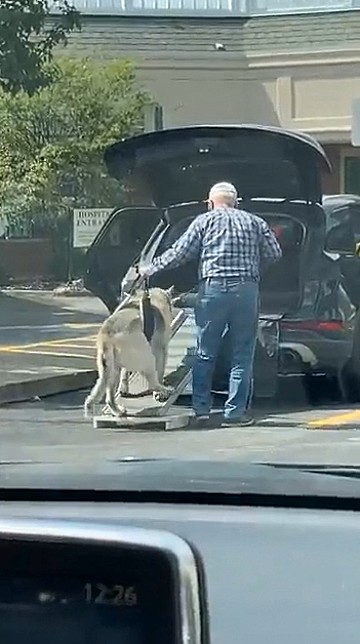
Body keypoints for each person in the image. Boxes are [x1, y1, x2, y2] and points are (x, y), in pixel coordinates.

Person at [140, 181, 282, 427]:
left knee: (205, 352)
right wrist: (255, 270)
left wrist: (149, 268)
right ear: (236, 202)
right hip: (246, 291)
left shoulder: (203, 222)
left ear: (210, 202)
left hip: (212, 290)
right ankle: (234, 414)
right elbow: (275, 252)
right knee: (242, 355)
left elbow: (179, 253)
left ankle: (202, 410)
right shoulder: (254, 222)